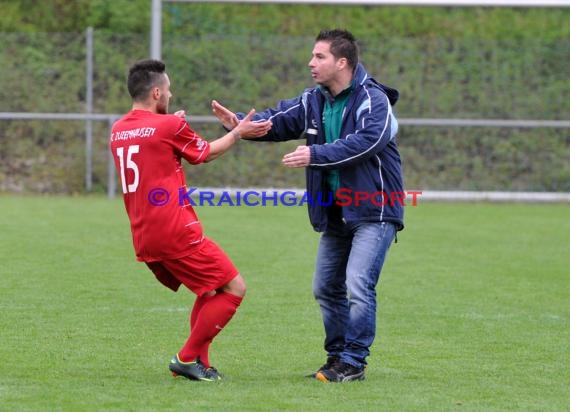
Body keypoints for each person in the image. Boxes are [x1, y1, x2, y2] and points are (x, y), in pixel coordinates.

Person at [211, 29, 404, 383]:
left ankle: (354, 361)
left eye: (319, 57)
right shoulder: (313, 100)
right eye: (312, 56)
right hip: (335, 212)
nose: (310, 63)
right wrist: (239, 124)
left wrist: (316, 154)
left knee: (358, 284)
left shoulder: (373, 100)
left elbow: (368, 141)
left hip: (373, 209)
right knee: (325, 287)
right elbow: (277, 120)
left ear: (341, 62)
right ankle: (337, 359)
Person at [109, 59, 271, 382]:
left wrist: (170, 123)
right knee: (234, 287)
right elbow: (205, 153)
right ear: (157, 92)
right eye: (168, 90)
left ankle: (200, 362)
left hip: (144, 233)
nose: (170, 94)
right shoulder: (167, 126)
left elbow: (152, 146)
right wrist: (238, 132)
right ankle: (185, 358)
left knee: (208, 290)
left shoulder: (118, 129)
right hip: (175, 230)